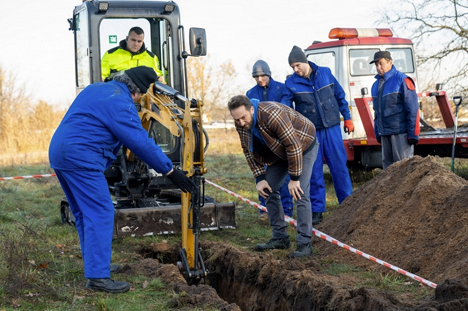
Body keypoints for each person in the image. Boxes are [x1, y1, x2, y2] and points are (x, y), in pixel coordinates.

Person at [49, 66, 195, 293]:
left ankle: (97, 266)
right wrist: (170, 171)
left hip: (61, 153)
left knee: (83, 213)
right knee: (100, 212)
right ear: (136, 92)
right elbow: (139, 141)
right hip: (81, 158)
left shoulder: (97, 88)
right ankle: (97, 278)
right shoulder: (120, 103)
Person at [228, 95, 318, 258]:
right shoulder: (240, 123)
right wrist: (260, 178)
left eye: (243, 117)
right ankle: (280, 238)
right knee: (267, 189)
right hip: (279, 151)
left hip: (303, 145)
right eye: (237, 119)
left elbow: (293, 146)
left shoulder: (272, 115)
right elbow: (248, 151)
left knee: (300, 192)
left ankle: (305, 244)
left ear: (252, 109)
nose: (241, 123)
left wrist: (295, 178)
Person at [281, 45, 353, 226]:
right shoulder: (291, 83)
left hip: (332, 129)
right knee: (314, 172)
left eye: (297, 65)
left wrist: (348, 118)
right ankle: (318, 210)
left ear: (305, 61)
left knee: (339, 168)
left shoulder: (326, 73)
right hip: (310, 133)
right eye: (293, 67)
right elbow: (286, 108)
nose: (296, 69)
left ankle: (348, 205)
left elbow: (340, 96)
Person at [246, 60, 293, 221]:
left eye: (262, 75)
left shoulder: (281, 88)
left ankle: (286, 210)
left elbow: (285, 110)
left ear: (269, 74)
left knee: (284, 176)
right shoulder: (250, 93)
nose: (260, 79)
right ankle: (265, 209)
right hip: (262, 141)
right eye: (256, 76)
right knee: (264, 175)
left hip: (280, 140)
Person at [370, 51, 420, 169]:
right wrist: (378, 132)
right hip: (385, 134)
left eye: (381, 64)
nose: (378, 67)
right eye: (376, 64)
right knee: (388, 174)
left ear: (390, 62)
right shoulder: (375, 85)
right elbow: (377, 112)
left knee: (403, 170)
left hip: (400, 133)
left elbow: (413, 109)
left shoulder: (402, 80)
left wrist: (413, 134)